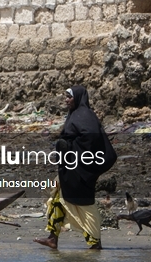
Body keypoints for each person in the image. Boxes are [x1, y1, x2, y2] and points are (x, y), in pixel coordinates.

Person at [35, 86, 117, 251]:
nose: (66, 100)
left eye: (69, 97)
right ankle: (53, 237)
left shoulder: (85, 116)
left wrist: (70, 147)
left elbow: (90, 139)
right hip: (69, 169)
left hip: (81, 171)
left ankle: (95, 242)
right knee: (56, 198)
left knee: (85, 206)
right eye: (65, 96)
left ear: (78, 98)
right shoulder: (75, 115)